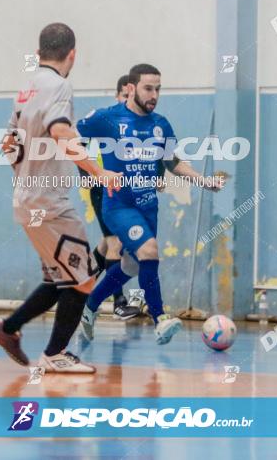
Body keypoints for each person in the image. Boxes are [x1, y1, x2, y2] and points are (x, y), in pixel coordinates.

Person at [0, 23, 121, 374]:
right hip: (49, 203)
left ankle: (8, 328)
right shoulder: (60, 86)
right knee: (84, 279)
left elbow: (8, 145)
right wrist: (99, 172)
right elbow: (61, 131)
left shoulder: (26, 89)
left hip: (26, 199)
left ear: (38, 53)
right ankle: (55, 354)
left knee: (60, 278)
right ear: (72, 54)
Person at [77, 63, 223, 345]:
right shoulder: (107, 118)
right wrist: (92, 172)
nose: (154, 94)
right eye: (148, 88)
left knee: (131, 266)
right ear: (131, 88)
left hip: (148, 206)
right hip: (118, 206)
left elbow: (172, 162)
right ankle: (160, 318)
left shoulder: (160, 124)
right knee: (149, 250)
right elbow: (72, 138)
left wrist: (202, 180)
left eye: (158, 88)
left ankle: (89, 307)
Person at [87, 75, 144, 320]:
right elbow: (77, 145)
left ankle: (79, 284)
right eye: (124, 95)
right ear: (117, 96)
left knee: (106, 244)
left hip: (126, 192)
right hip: (104, 189)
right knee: (116, 244)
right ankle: (118, 303)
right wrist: (90, 176)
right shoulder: (103, 120)